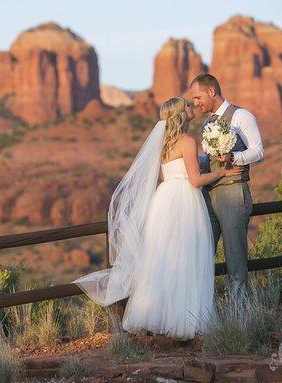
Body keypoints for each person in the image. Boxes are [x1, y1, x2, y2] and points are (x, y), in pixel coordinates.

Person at [73, 97, 244, 340]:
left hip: (163, 201)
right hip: (185, 200)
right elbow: (195, 180)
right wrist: (222, 172)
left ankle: (153, 315)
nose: (190, 107)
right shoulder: (187, 141)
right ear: (179, 114)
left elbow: (166, 176)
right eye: (187, 105)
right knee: (186, 257)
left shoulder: (162, 142)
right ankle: (184, 319)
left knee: (161, 259)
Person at [189, 73, 264, 308]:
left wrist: (234, 157)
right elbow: (209, 161)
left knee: (235, 258)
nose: (195, 103)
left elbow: (258, 150)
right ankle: (202, 309)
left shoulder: (241, 116)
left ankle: (238, 314)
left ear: (212, 91)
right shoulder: (207, 123)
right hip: (208, 196)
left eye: (197, 97)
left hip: (232, 193)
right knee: (201, 252)